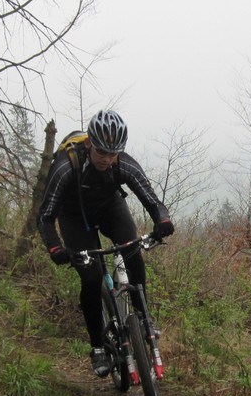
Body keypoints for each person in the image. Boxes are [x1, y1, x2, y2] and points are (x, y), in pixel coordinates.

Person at [37, 109, 174, 376]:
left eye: (113, 153)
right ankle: (98, 345)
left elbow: (151, 198)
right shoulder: (66, 166)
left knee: (133, 252)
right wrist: (55, 248)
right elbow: (45, 216)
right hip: (74, 217)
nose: (107, 159)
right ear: (89, 143)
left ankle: (143, 318)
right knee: (91, 278)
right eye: (102, 152)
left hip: (109, 207)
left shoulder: (123, 163)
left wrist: (163, 220)